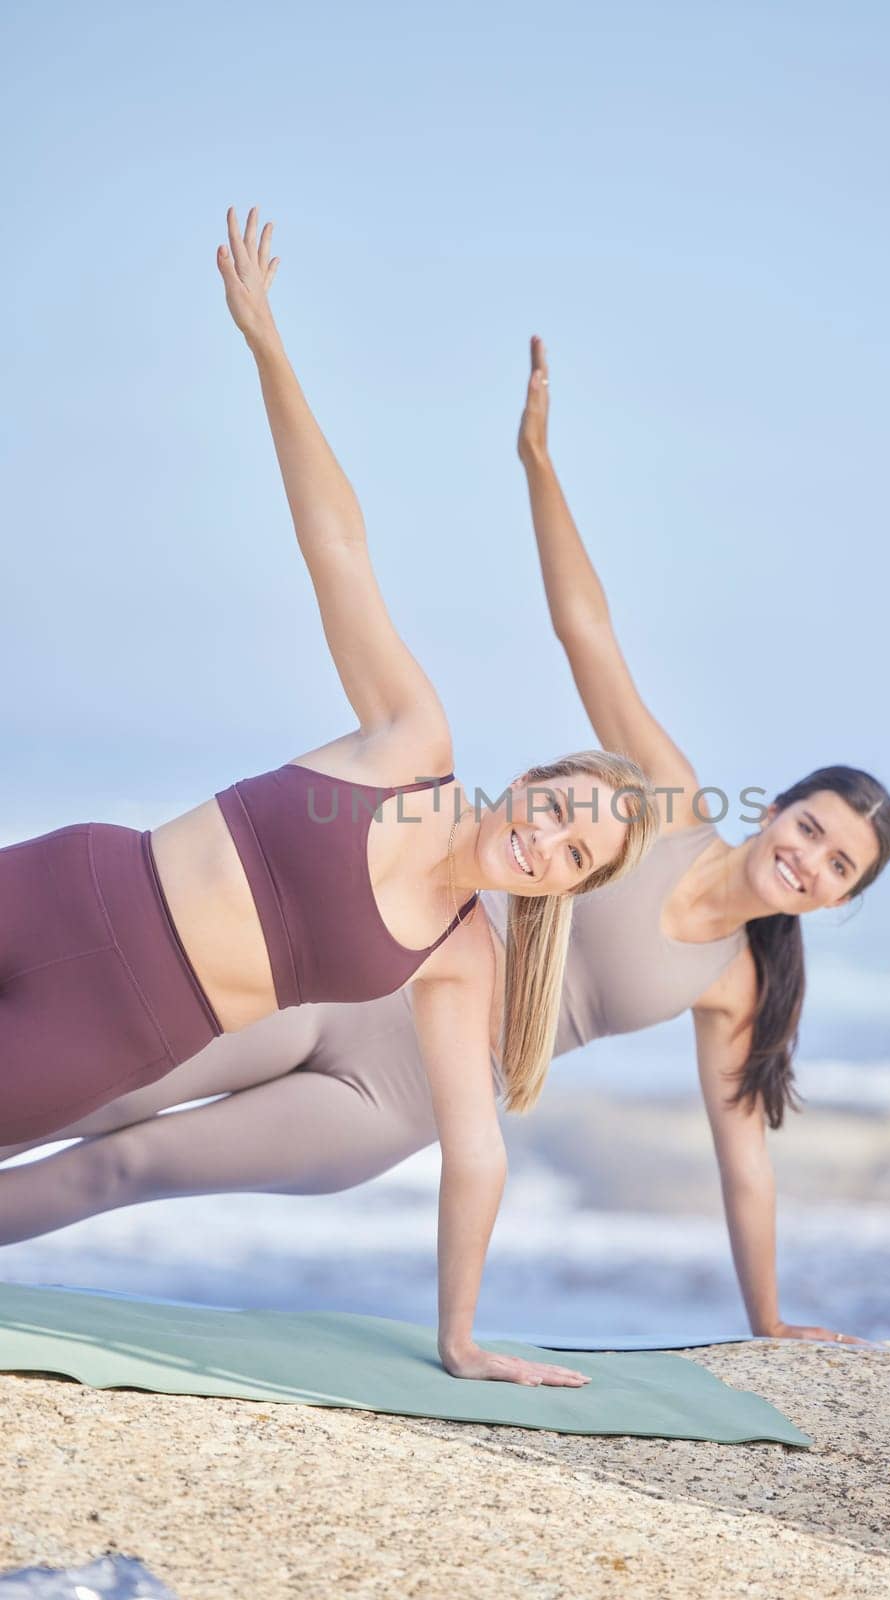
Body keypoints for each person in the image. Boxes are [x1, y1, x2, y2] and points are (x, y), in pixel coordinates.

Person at [1, 325, 890, 1348]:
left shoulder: (738, 987)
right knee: (101, 1102)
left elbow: (743, 1165)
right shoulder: (666, 806)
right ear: (777, 805)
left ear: (836, 901)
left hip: (399, 1093)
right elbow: (585, 631)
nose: (807, 857)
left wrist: (769, 1319)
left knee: (128, 1166)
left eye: (836, 867)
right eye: (811, 827)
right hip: (341, 979)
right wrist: (538, 466)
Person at [0, 210, 660, 1389]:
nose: (547, 839)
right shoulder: (412, 742)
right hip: (63, 882)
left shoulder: (460, 961)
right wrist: (268, 345)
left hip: (110, 1031)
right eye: (561, 808)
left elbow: (475, 1152)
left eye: (573, 857)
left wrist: (460, 1337)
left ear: (566, 891)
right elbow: (337, 547)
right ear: (534, 779)